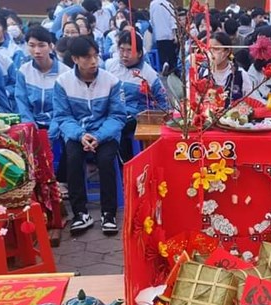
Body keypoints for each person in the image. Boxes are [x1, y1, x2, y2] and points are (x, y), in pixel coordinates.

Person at [52, 36, 125, 235]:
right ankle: (80, 213)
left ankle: (108, 213)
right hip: (77, 133)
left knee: (106, 159)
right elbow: (63, 116)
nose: (93, 61)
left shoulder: (111, 81)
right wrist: (80, 135)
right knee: (73, 157)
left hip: (105, 134)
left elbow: (118, 116)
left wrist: (99, 136)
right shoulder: (63, 83)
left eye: (95, 56)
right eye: (87, 57)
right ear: (75, 59)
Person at [106, 30, 167, 161]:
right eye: (121, 50)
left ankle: (126, 164)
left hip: (134, 115)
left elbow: (163, 101)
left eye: (129, 50)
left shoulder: (148, 73)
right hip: (111, 110)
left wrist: (158, 121)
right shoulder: (110, 66)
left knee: (117, 127)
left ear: (139, 53)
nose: (124, 55)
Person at [16, 26, 70, 137]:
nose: (37, 51)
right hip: (31, 125)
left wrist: (53, 131)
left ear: (50, 46)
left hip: (58, 126)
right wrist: (31, 128)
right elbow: (22, 104)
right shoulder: (24, 71)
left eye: (41, 45)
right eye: (32, 45)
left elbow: (64, 109)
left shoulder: (65, 73)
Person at [206, 32, 253, 105]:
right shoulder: (202, 73)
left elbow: (250, 101)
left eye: (216, 49)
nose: (211, 53)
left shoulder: (240, 75)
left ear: (227, 52)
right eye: (209, 49)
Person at [150, 0, 177, 73]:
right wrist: (175, 35)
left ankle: (164, 63)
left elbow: (151, 20)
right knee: (171, 53)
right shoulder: (169, 4)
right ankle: (171, 69)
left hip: (159, 34)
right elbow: (173, 20)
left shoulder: (153, 4)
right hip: (169, 34)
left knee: (162, 52)